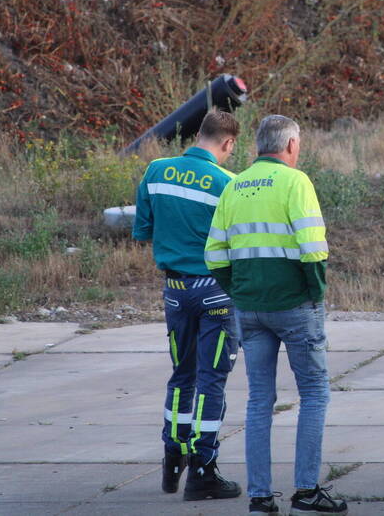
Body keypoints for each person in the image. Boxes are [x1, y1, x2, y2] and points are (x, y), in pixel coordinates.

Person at [205, 115, 347, 516]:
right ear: (288, 146)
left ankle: (260, 498)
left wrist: (240, 292)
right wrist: (314, 294)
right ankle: (305, 492)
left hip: (249, 309)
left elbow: (214, 255)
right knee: (315, 394)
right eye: (297, 144)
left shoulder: (234, 185)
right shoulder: (295, 182)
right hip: (295, 306)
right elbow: (314, 249)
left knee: (259, 400)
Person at [132, 108, 243, 501]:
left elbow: (142, 231)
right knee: (212, 381)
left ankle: (172, 457)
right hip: (215, 290)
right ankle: (203, 471)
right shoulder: (229, 183)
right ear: (227, 143)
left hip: (175, 291)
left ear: (199, 134)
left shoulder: (156, 171)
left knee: (182, 376)